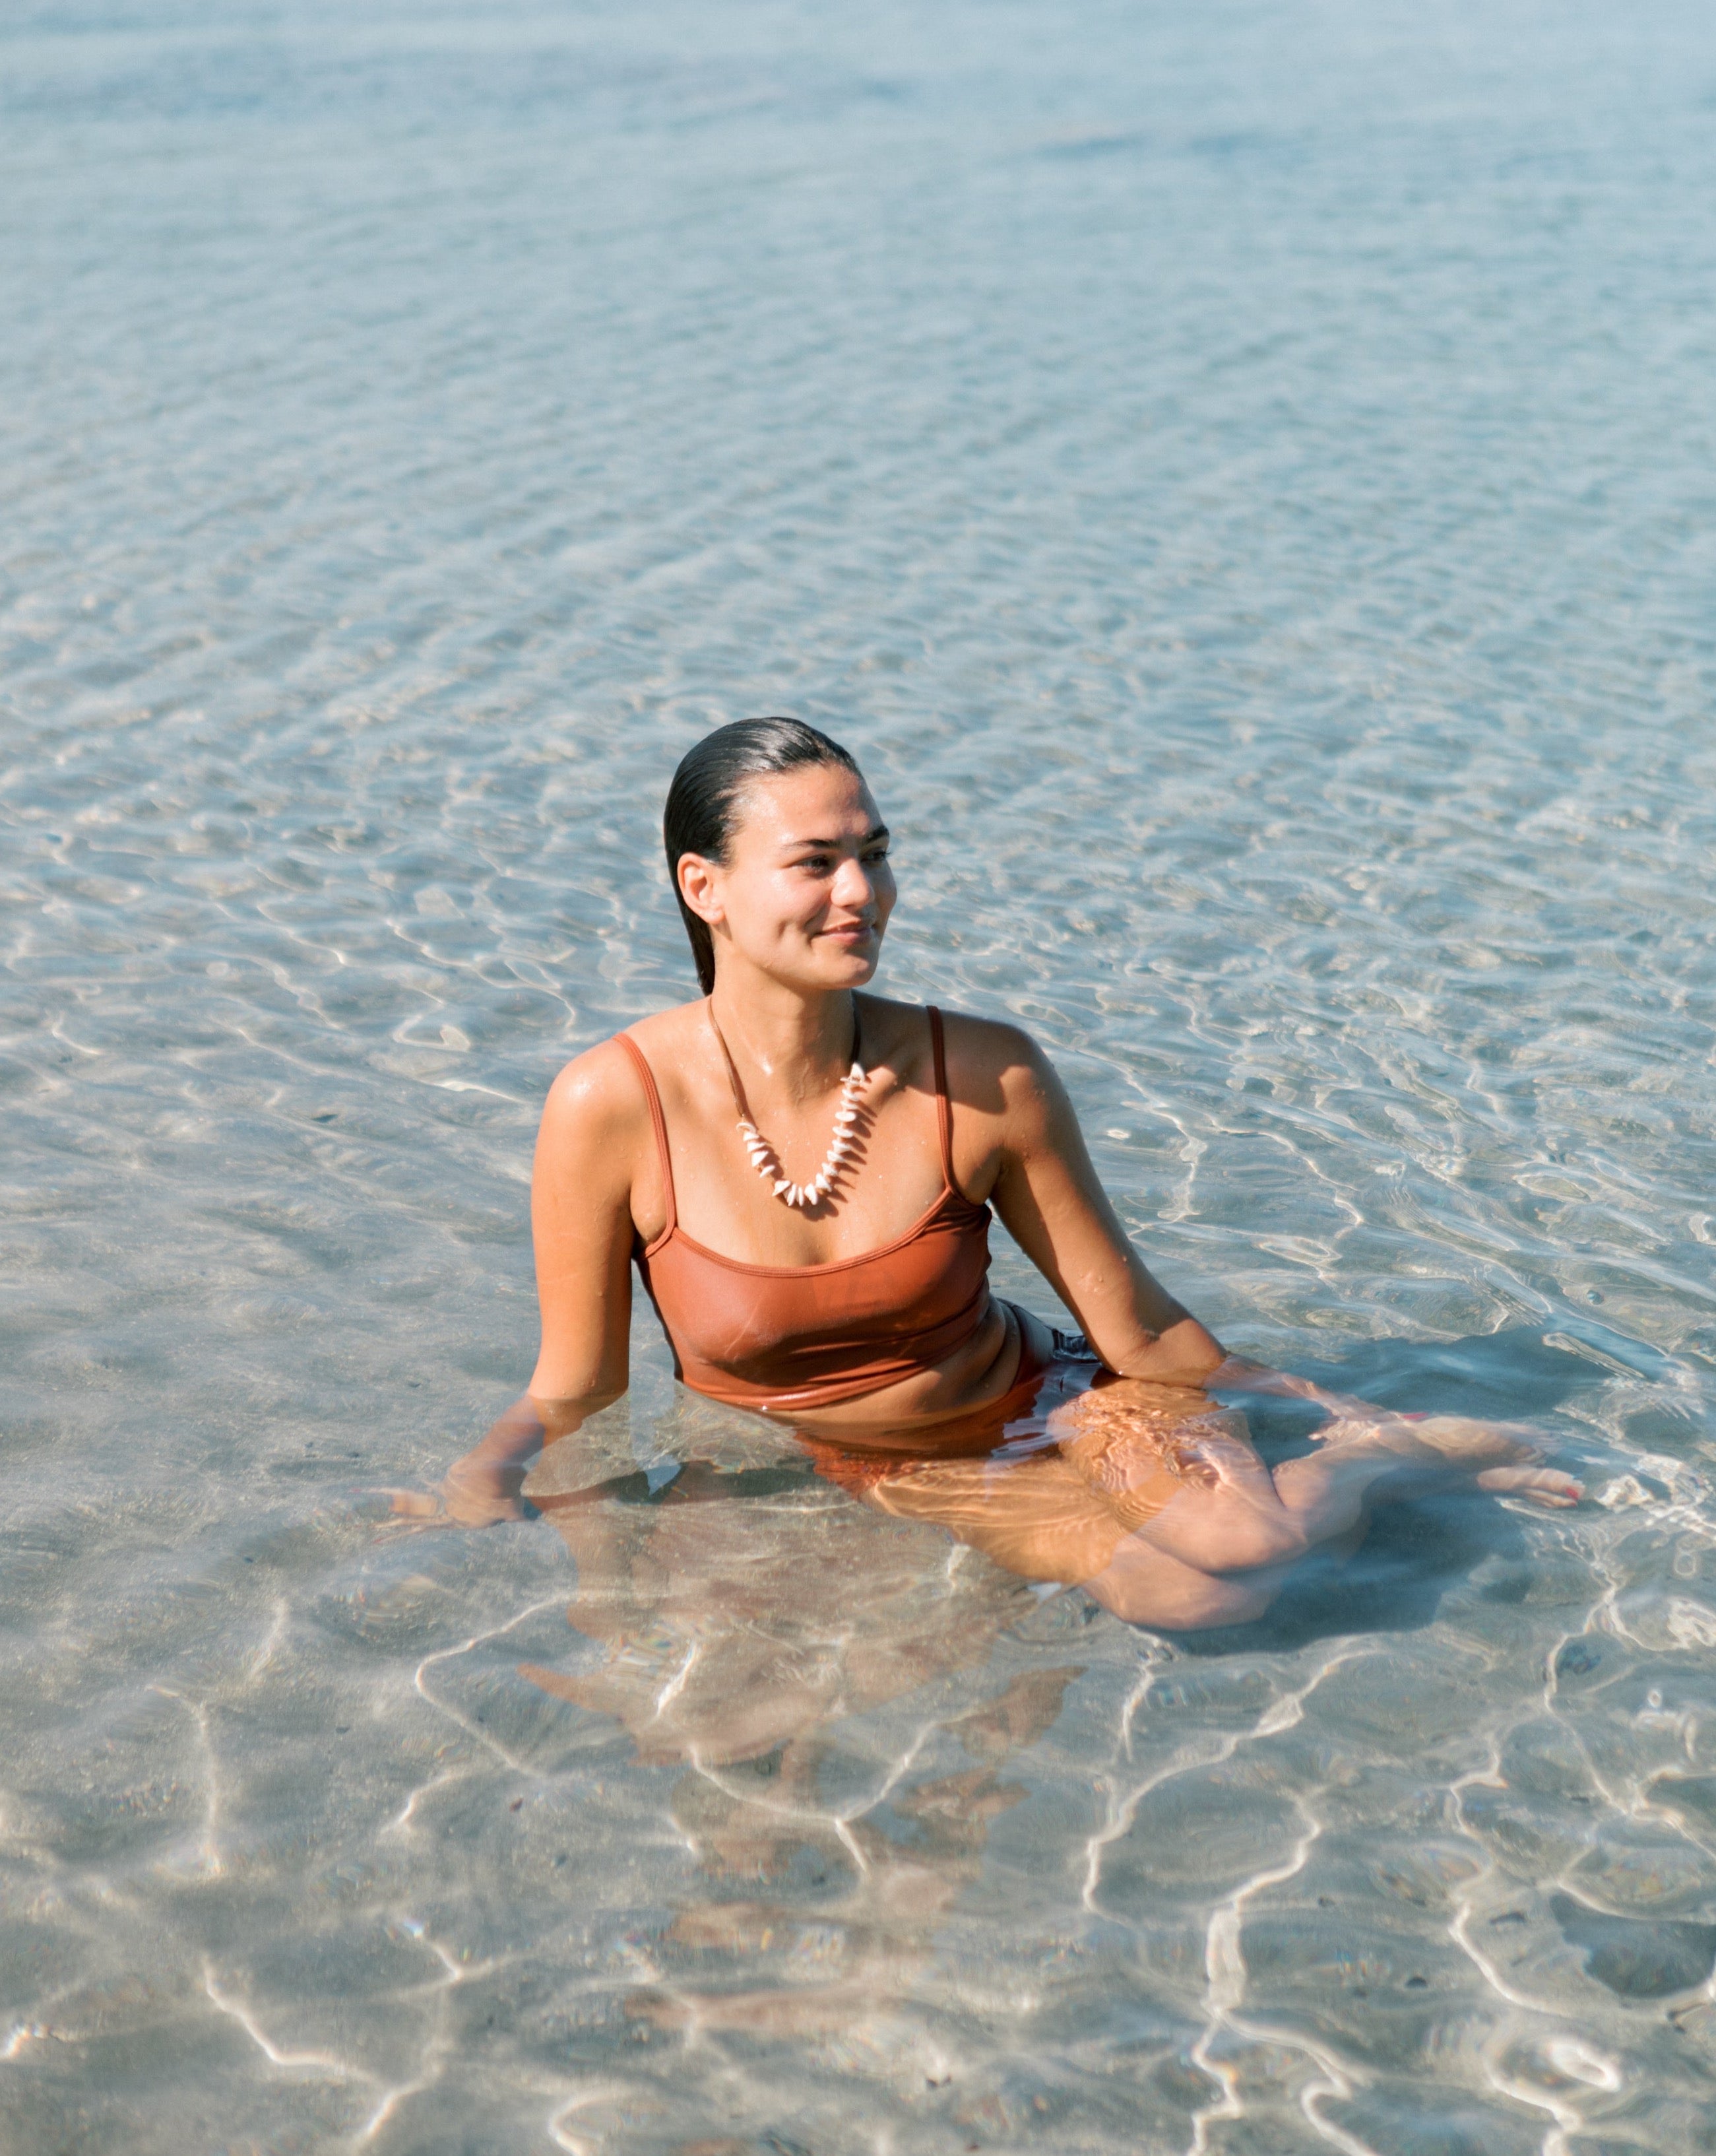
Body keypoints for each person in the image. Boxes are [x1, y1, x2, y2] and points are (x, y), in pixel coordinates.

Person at [421, 717, 1579, 1630]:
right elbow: (579, 1383)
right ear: (703, 885)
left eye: (873, 856)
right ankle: (1363, 1482)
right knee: (1199, 1599)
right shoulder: (610, 1105)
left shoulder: (983, 1073)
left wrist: (1337, 1405)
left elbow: (1140, 1336)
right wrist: (485, 1476)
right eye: (815, 863)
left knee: (1249, 1546)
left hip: (1065, 1398)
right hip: (890, 1466)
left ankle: (1377, 1461)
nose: (861, 893)